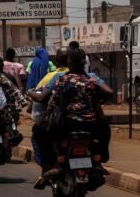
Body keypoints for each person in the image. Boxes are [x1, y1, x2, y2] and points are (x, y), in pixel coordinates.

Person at [38, 47, 112, 183]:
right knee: (105, 129)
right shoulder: (91, 80)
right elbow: (109, 93)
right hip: (91, 124)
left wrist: (44, 116)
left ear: (69, 62)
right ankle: (98, 159)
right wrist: (98, 100)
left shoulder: (62, 79)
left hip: (67, 124)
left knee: (40, 131)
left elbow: (52, 103)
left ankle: (51, 164)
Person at [28, 47, 69, 188]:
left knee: (38, 131)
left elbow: (39, 96)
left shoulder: (54, 77)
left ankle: (46, 167)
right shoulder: (89, 77)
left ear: (56, 61)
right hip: (86, 124)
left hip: (59, 122)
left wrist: (29, 96)